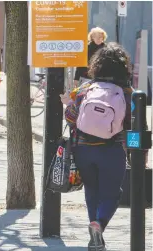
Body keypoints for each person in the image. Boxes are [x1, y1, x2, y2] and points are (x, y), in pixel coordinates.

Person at [61, 42, 132, 251]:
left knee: (91, 191)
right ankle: (99, 224)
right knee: (112, 194)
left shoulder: (84, 89)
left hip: (83, 150)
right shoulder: (127, 92)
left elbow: (70, 117)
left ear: (97, 65)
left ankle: (95, 238)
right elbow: (131, 123)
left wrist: (68, 105)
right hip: (112, 150)